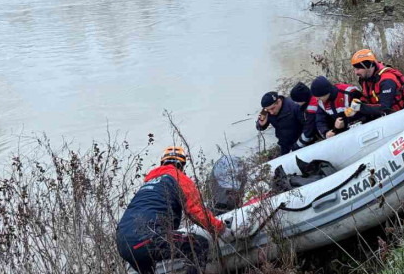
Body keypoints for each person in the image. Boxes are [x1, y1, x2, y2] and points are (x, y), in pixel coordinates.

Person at [116, 146, 231, 274]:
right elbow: (197, 213)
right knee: (198, 245)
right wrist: (220, 228)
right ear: (181, 165)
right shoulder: (179, 178)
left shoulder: (147, 185)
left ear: (162, 163)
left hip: (123, 243)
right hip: (146, 237)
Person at [348, 49, 404, 121]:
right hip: (382, 118)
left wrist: (360, 107)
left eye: (358, 68)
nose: (355, 72)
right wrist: (359, 104)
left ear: (368, 66)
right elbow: (367, 98)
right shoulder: (366, 79)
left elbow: (385, 109)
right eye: (355, 69)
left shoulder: (387, 80)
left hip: (400, 117)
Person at [256, 91, 304, 155]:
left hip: (299, 142)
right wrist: (260, 124)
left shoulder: (293, 106)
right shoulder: (265, 110)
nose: (271, 112)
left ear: (278, 101)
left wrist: (300, 143)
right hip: (284, 145)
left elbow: (307, 126)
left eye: (272, 108)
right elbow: (259, 126)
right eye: (268, 110)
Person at [290, 82, 319, 148]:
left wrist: (296, 147)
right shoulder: (313, 97)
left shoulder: (311, 109)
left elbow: (308, 132)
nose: (296, 103)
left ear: (303, 99)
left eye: (297, 101)